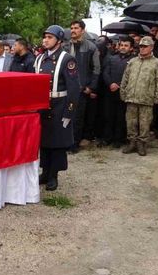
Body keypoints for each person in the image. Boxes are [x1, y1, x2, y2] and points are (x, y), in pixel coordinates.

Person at [34, 25, 80, 191]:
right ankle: (45, 172)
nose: (45, 40)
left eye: (50, 37)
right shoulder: (39, 58)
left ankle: (53, 175)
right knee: (44, 141)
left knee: (57, 142)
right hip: (42, 107)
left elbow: (74, 88)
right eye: (44, 37)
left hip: (59, 106)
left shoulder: (67, 60)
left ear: (59, 41)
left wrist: (69, 111)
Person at [120, 37, 158, 156]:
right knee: (130, 122)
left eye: (145, 46)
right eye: (141, 46)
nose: (142, 48)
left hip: (146, 98)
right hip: (131, 97)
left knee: (144, 123)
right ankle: (132, 142)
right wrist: (123, 92)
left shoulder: (157, 63)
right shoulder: (133, 61)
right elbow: (125, 77)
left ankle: (142, 144)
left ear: (151, 47)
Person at [65, 20, 100, 151]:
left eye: (76, 28)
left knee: (78, 118)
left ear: (82, 30)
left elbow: (96, 69)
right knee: (66, 115)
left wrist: (90, 87)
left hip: (81, 89)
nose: (73, 30)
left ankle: (74, 144)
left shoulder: (91, 47)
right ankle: (65, 142)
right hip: (67, 87)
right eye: (71, 28)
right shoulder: (65, 46)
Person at [101, 36, 134, 147]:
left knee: (121, 117)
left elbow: (132, 77)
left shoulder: (133, 61)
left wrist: (119, 85)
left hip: (124, 93)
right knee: (108, 116)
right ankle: (107, 138)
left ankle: (118, 139)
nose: (123, 47)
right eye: (121, 45)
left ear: (131, 48)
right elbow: (105, 73)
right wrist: (111, 83)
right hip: (110, 91)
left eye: (126, 45)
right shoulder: (111, 58)